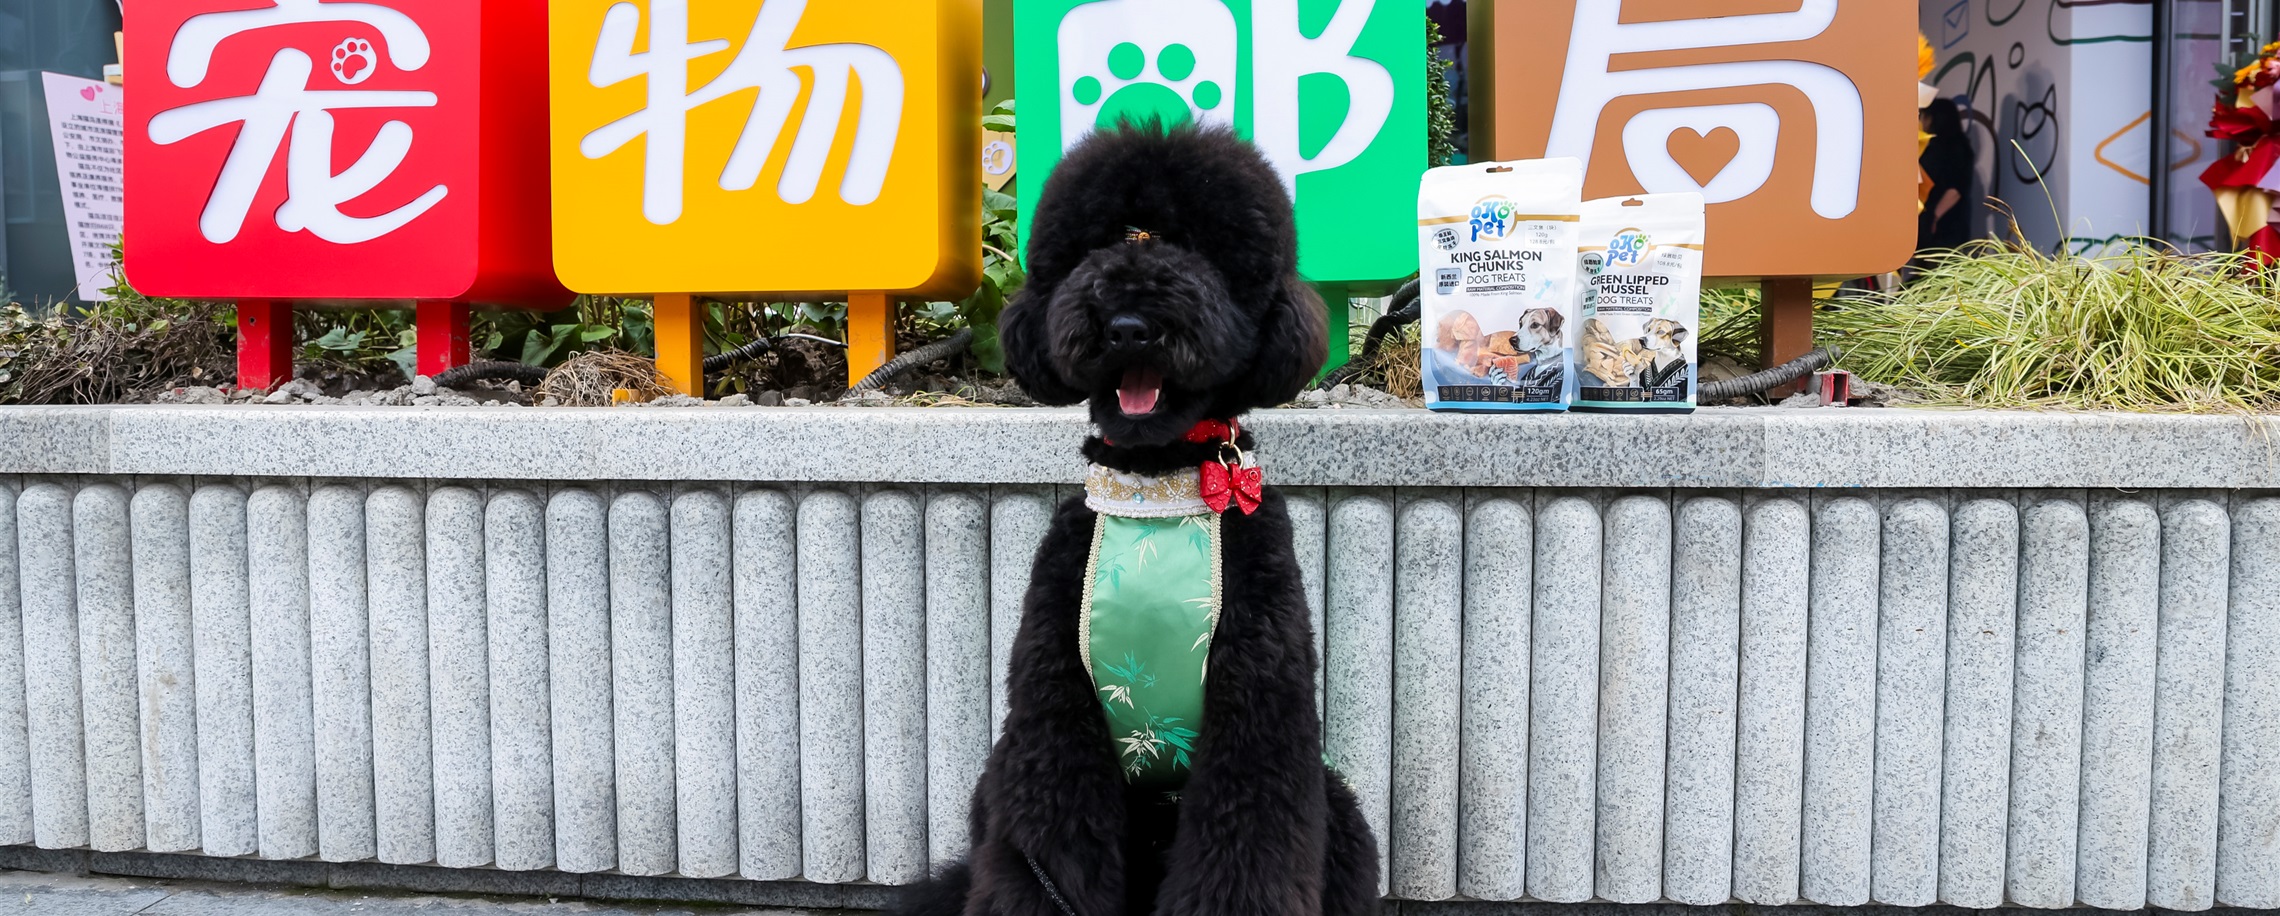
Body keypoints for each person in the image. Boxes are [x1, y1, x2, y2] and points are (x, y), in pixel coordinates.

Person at [1916, 98, 1978, 256]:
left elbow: (1955, 189)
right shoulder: (1935, 147)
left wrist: (1934, 218)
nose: (1921, 122)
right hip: (1930, 228)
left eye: (1923, 116)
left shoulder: (1955, 147)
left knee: (1941, 272)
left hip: (1945, 229)